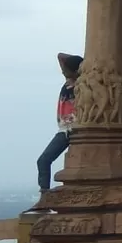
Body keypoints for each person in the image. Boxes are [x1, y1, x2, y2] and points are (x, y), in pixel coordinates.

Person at [33, 53, 81, 206]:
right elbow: (61, 56)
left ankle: (45, 197)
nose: (62, 71)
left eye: (66, 69)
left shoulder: (80, 86)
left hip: (71, 130)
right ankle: (45, 195)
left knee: (44, 160)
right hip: (64, 129)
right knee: (43, 161)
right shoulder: (68, 82)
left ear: (74, 71)